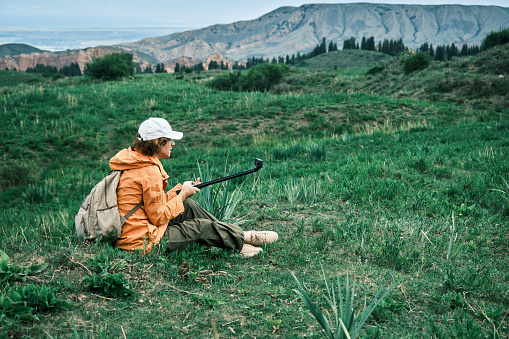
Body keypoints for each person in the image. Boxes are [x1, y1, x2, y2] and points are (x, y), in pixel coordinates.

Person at [109, 117, 278, 257]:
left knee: (187, 206)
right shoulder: (148, 171)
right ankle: (245, 237)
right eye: (170, 140)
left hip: (134, 230)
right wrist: (181, 196)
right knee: (199, 227)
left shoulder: (135, 160)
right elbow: (157, 217)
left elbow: (149, 204)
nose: (173, 144)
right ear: (158, 142)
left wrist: (180, 191)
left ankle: (234, 240)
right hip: (142, 242)